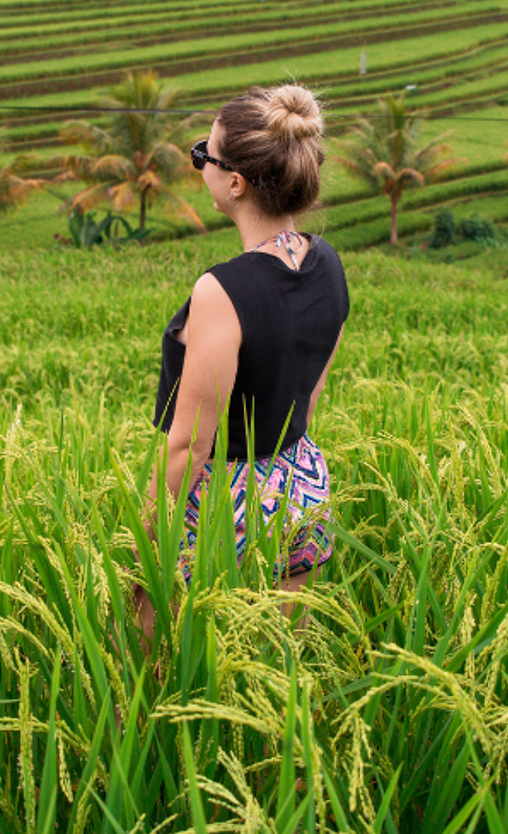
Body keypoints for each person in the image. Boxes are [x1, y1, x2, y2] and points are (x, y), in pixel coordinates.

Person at [136, 84, 348, 643]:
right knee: (279, 669)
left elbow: (190, 445)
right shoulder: (327, 263)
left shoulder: (221, 291)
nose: (198, 160)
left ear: (234, 182)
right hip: (301, 485)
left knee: (159, 662)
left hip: (224, 501)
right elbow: (310, 390)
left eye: (203, 152)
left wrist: (144, 539)